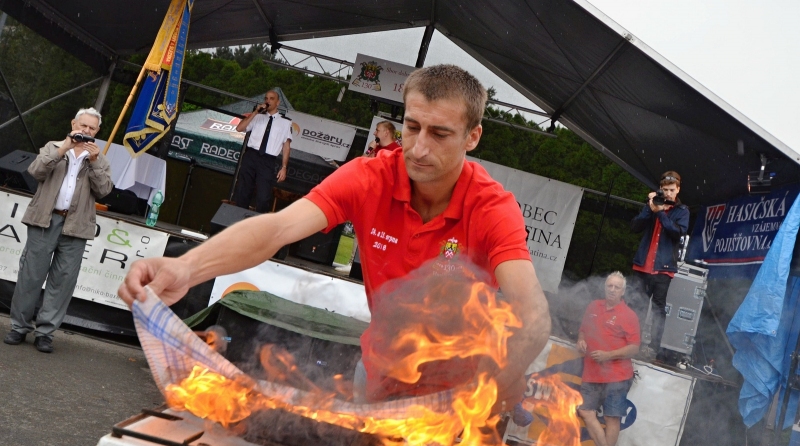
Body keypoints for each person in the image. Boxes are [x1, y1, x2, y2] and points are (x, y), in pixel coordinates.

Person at [119, 64, 551, 410]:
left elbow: (533, 315)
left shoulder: (493, 207)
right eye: (412, 126)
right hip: (378, 372)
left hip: (456, 395)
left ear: (472, 137)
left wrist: (492, 390)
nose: (419, 148)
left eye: (440, 134)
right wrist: (185, 266)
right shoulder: (370, 176)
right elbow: (278, 227)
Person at [3, 107, 114, 353]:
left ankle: (45, 332)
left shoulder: (100, 158)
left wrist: (94, 163)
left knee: (62, 282)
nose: (86, 131)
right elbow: (35, 172)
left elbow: (105, 190)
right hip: (45, 219)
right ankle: (19, 327)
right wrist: (63, 148)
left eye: (91, 128)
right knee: (30, 275)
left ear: (97, 131)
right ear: (73, 123)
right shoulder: (53, 146)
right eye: (83, 126)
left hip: (76, 226)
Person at [576, 272, 640, 446]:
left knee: (612, 418)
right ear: (605, 287)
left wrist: (608, 355)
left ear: (623, 291)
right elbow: (583, 330)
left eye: (617, 287)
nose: (612, 290)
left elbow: (634, 348)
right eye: (609, 286)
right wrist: (581, 340)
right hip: (592, 372)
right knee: (585, 411)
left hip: (618, 375)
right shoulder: (593, 306)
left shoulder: (629, 315)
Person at [629, 171, 689, 361]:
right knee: (635, 305)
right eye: (665, 190)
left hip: (663, 268)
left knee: (658, 310)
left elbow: (676, 233)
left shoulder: (683, 211)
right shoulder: (653, 204)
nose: (668, 194)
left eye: (672, 190)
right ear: (660, 189)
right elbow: (634, 227)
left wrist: (661, 213)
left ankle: (653, 350)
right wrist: (650, 207)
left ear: (678, 189)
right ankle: (631, 344)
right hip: (642, 265)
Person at [233, 90, 292, 213]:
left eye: (271, 98)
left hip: (267, 160)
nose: (267, 101)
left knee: (263, 196)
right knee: (243, 191)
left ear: (278, 102)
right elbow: (239, 128)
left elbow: (286, 146)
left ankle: (258, 226)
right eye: (266, 98)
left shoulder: (285, 122)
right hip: (251, 155)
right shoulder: (257, 117)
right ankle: (237, 223)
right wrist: (255, 112)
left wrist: (284, 167)